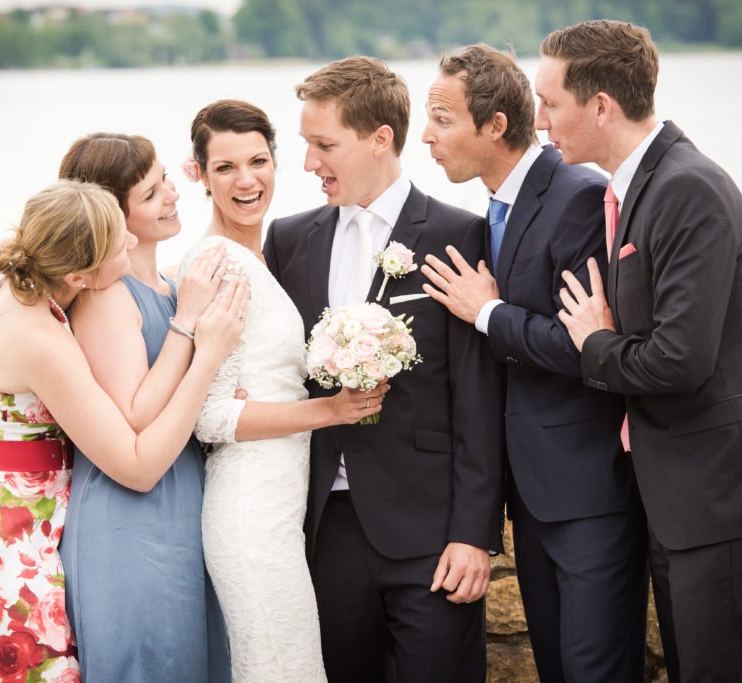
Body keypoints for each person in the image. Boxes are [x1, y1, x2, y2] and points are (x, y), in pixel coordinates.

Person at [539, 20, 742, 682]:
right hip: (683, 496)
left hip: (721, 496)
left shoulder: (686, 188)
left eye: (550, 102)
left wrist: (595, 343)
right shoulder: (635, 187)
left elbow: (679, 361)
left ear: (601, 105)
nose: (540, 118)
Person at [0, 179, 246, 682]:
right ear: (78, 275)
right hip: (14, 535)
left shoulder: (22, 284)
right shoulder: (39, 338)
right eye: (119, 244)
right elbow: (138, 466)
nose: (132, 243)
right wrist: (208, 355)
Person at [262, 57, 506, 683]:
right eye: (306, 146)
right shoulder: (288, 240)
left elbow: (479, 397)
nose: (310, 163)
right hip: (325, 527)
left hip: (431, 530)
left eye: (324, 145)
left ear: (380, 140)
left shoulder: (461, 235)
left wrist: (474, 534)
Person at [419, 44, 648, 682]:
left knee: (595, 669)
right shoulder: (487, 212)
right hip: (532, 498)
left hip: (589, 492)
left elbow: (590, 348)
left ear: (495, 126)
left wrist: (487, 313)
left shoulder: (576, 194)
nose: (426, 137)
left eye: (442, 118)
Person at [177, 99, 389, 682]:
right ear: (198, 174)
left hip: (280, 507)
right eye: (225, 168)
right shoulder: (218, 265)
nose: (247, 180)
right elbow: (212, 416)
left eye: (258, 160)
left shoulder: (257, 255)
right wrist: (330, 409)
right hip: (250, 509)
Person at [56, 133, 235, 682]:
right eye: (153, 192)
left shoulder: (174, 284)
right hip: (131, 518)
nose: (174, 194)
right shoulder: (108, 296)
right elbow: (132, 413)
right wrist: (197, 334)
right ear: (113, 216)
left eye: (166, 180)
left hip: (182, 502)